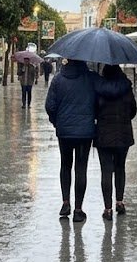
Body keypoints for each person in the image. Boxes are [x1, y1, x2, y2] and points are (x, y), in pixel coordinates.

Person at [45, 59, 130, 223]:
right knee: (80, 168)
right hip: (85, 132)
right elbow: (110, 90)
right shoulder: (91, 78)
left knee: (65, 165)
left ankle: (65, 202)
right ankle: (78, 210)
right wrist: (125, 82)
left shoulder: (58, 79)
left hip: (64, 132)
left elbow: (50, 106)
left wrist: (57, 122)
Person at [94, 64, 137, 220]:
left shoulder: (98, 87)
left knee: (106, 171)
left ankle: (107, 209)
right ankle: (119, 201)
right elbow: (133, 110)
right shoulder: (126, 87)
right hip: (123, 134)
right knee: (120, 168)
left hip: (103, 135)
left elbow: (94, 109)